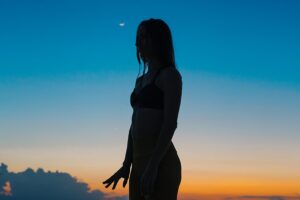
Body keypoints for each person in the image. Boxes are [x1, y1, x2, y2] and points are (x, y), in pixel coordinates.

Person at [103, 18, 182, 200]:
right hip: (138, 165)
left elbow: (170, 124)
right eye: (137, 37)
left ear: (158, 40)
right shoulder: (140, 81)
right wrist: (126, 165)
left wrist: (153, 165)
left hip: (161, 163)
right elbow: (134, 125)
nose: (137, 42)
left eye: (144, 37)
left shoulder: (170, 76)